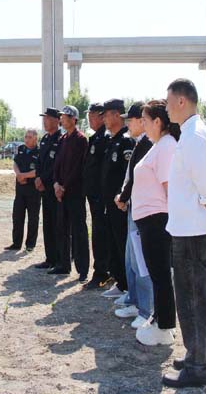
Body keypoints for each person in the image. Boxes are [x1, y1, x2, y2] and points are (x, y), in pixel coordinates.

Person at [163, 78, 206, 389]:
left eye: (168, 102)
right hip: (187, 228)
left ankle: (199, 366)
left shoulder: (194, 137)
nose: (165, 108)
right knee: (195, 298)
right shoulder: (190, 133)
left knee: (194, 300)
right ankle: (197, 355)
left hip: (193, 231)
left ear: (181, 101)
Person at [132, 100, 180, 346]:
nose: (142, 124)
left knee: (161, 274)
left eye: (145, 120)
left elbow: (169, 187)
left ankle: (165, 326)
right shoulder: (158, 146)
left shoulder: (166, 147)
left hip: (158, 220)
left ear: (158, 122)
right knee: (157, 273)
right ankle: (160, 317)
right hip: (149, 220)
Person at [112, 101, 154, 330]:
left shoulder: (149, 144)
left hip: (143, 208)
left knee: (141, 262)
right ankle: (135, 301)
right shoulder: (140, 143)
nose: (127, 123)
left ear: (142, 121)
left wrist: (124, 196)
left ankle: (147, 309)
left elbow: (139, 180)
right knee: (132, 260)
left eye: (132, 119)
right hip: (134, 207)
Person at [100, 99, 136, 300]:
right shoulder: (112, 140)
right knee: (114, 243)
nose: (104, 119)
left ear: (116, 115)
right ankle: (120, 282)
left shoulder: (126, 142)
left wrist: (124, 198)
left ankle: (128, 286)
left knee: (123, 244)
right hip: (110, 204)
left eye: (106, 115)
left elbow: (127, 176)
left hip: (121, 205)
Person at [52, 105, 89, 279]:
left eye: (65, 116)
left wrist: (65, 185)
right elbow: (57, 164)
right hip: (61, 192)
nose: (62, 119)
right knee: (62, 229)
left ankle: (82, 270)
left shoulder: (81, 140)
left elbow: (78, 167)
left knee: (79, 231)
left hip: (74, 192)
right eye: (62, 116)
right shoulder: (63, 139)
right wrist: (56, 184)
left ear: (74, 119)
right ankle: (63, 264)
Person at [82, 102, 111, 289]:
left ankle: (102, 272)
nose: (90, 119)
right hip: (93, 196)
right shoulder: (95, 138)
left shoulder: (105, 138)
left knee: (101, 235)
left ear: (101, 117)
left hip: (102, 197)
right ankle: (104, 270)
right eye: (89, 116)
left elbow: (104, 170)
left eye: (92, 116)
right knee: (99, 234)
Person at [34, 107, 62, 270]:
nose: (45, 121)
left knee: (58, 223)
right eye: (44, 118)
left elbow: (56, 165)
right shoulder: (44, 139)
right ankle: (49, 257)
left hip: (54, 186)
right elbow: (39, 162)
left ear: (56, 121)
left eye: (48, 119)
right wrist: (38, 177)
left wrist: (43, 178)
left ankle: (60, 258)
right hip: (43, 187)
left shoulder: (60, 139)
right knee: (48, 223)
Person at [6, 128, 41, 252]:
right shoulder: (21, 149)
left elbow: (39, 171)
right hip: (20, 189)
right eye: (26, 137)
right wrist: (18, 174)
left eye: (30, 137)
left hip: (33, 190)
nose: (27, 139)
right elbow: (15, 163)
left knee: (33, 218)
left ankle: (30, 244)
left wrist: (24, 176)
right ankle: (16, 243)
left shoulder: (40, 152)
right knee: (17, 216)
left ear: (35, 139)